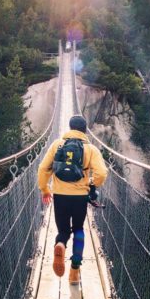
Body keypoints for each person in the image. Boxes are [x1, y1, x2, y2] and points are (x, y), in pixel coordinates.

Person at [38, 115, 108, 285]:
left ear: (69, 128)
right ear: (85, 130)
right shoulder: (91, 149)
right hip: (79, 198)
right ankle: (74, 271)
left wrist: (45, 189)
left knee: (63, 230)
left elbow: (43, 168)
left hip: (60, 195)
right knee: (78, 230)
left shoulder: (57, 145)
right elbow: (102, 174)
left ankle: (60, 243)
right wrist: (91, 184)